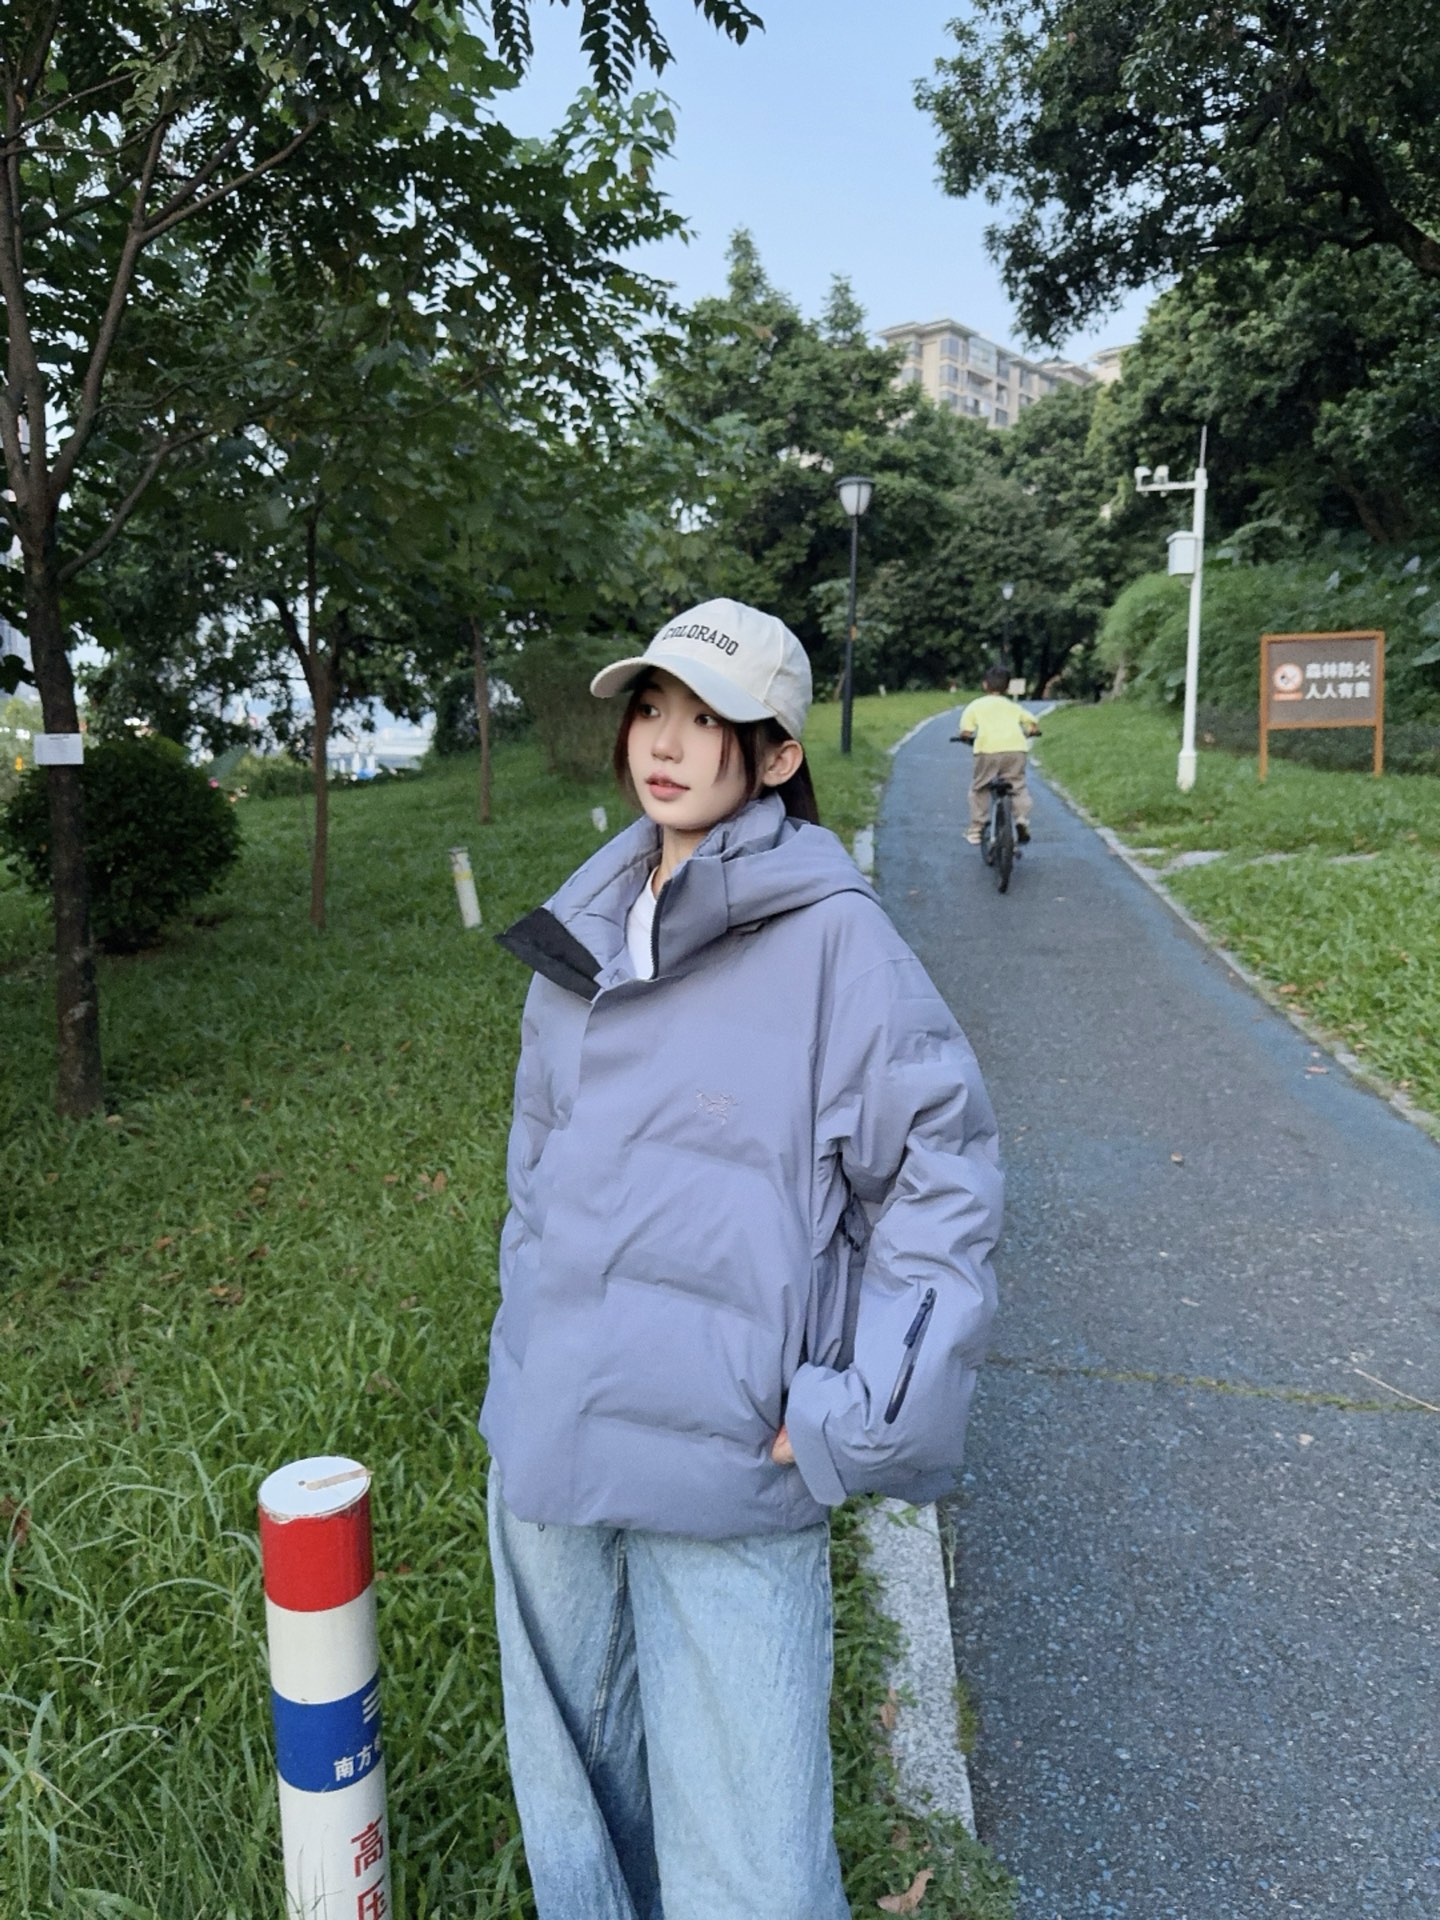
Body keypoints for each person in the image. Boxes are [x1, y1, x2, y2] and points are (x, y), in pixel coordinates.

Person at [482, 597, 1002, 1920]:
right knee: (578, 1812)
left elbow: (940, 1178)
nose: (664, 744)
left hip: (729, 1452)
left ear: (777, 754)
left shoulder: (835, 941)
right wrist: (520, 1340)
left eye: (708, 720)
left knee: (752, 1857)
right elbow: (537, 1164)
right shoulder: (584, 925)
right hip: (556, 1433)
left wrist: (862, 1411)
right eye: (651, 709)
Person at [956, 666, 1041, 846]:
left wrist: (965, 737)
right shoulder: (1013, 706)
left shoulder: (976, 706)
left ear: (984, 685)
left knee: (980, 787)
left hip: (987, 750)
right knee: (1017, 786)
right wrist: (1032, 731)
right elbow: (1032, 723)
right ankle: (1021, 819)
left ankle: (977, 829)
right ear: (1008, 687)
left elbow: (966, 730)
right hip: (1016, 750)